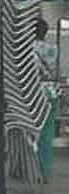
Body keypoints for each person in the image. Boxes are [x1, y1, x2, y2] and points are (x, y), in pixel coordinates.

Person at [36, 17, 61, 179]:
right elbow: (56, 71)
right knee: (46, 134)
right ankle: (44, 172)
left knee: (32, 133)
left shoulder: (26, 48)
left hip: (32, 92)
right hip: (51, 92)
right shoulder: (53, 49)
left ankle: (30, 170)